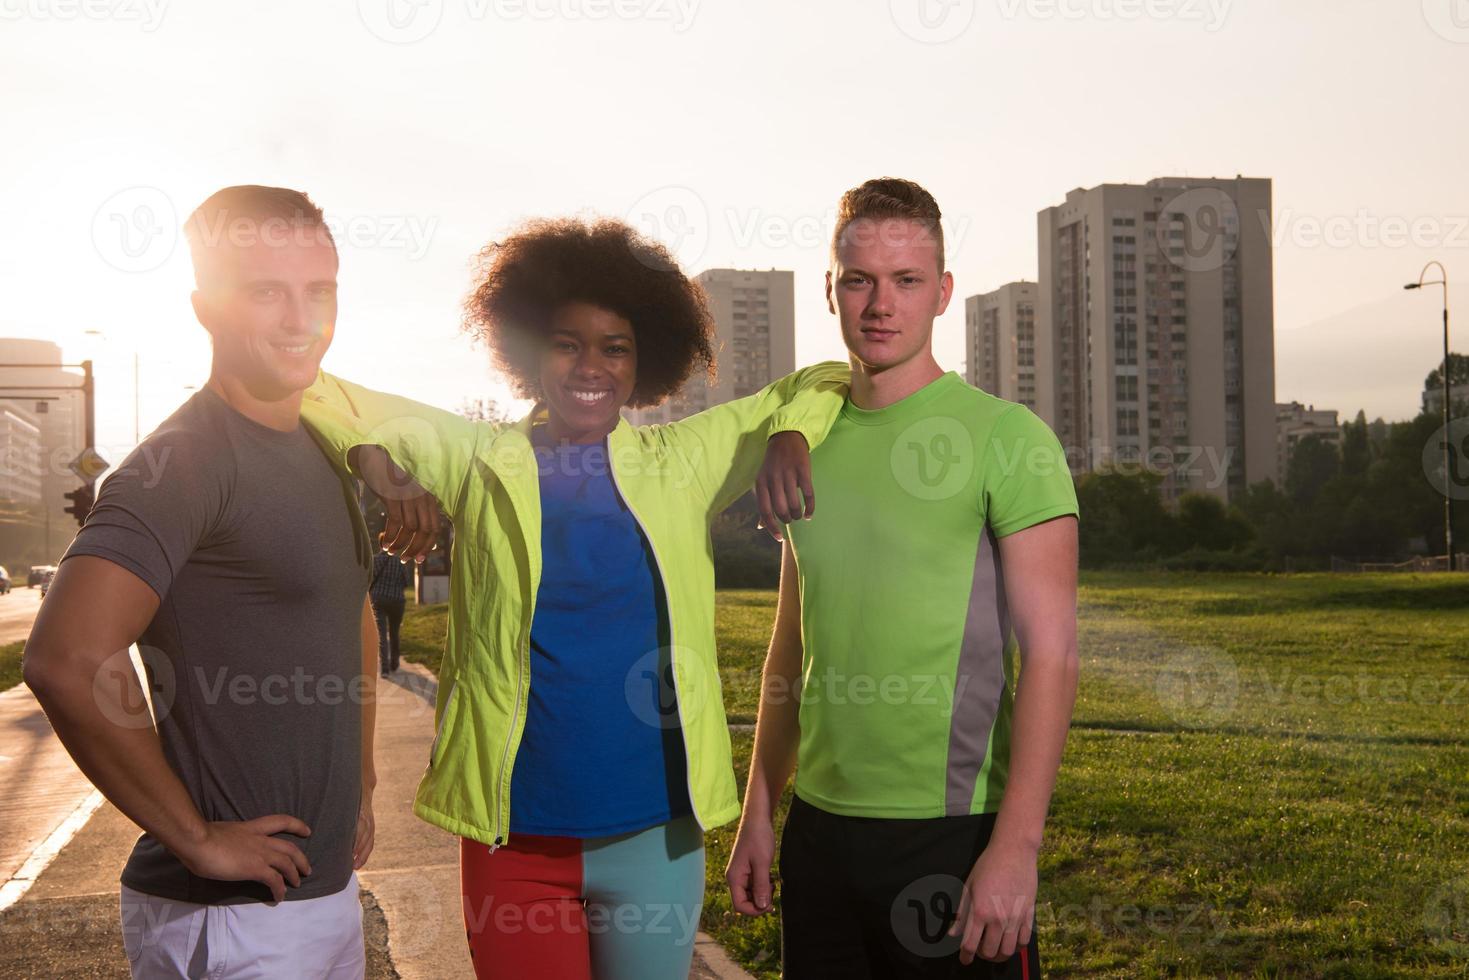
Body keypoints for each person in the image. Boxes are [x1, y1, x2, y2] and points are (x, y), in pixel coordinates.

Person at [300, 216, 849, 980]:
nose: (589, 365)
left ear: (641, 363)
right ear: (530, 352)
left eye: (614, 347)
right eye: (566, 343)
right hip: (514, 842)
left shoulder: (681, 461)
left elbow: (822, 379)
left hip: (655, 839)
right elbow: (314, 389)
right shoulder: (477, 459)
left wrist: (788, 431)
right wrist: (377, 461)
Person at [725, 178, 1080, 978]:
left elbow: (1052, 655)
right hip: (818, 835)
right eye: (858, 280)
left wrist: (1016, 849)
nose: (879, 304)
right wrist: (759, 809)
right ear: (830, 290)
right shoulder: (805, 439)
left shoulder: (1007, 439)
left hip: (952, 837)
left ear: (942, 292)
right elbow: (791, 644)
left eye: (906, 281)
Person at [23, 185, 379, 978]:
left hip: (321, 898)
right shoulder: (183, 460)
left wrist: (363, 773)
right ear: (205, 308)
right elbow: (66, 658)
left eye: (317, 292)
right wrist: (196, 837)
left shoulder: (325, 446)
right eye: (265, 292)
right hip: (229, 922)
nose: (299, 318)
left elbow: (345, 604)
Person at [369, 546, 411, 675]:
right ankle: (394, 663)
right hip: (397, 600)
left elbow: (369, 580)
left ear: (381, 545)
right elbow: (406, 582)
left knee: (381, 634)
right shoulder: (400, 561)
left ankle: (385, 668)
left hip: (378, 600)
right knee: (394, 632)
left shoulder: (375, 560)